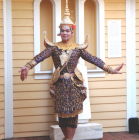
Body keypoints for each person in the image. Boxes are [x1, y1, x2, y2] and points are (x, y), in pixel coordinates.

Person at [19, 0, 123, 140]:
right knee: (61, 114)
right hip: (60, 85)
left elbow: (93, 59)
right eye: (62, 30)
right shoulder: (53, 47)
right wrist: (27, 66)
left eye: (67, 30)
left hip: (74, 85)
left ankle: (69, 139)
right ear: (59, 32)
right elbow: (40, 57)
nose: (65, 33)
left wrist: (110, 69)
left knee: (73, 114)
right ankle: (66, 138)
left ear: (72, 32)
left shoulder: (77, 48)